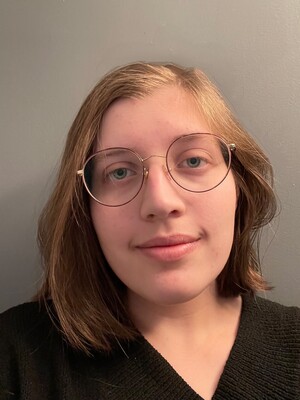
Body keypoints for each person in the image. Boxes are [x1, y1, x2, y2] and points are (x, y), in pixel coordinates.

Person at [0, 62, 299, 400]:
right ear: (85, 211)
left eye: (193, 161)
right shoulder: (14, 359)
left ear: (240, 186)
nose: (159, 201)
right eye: (119, 172)